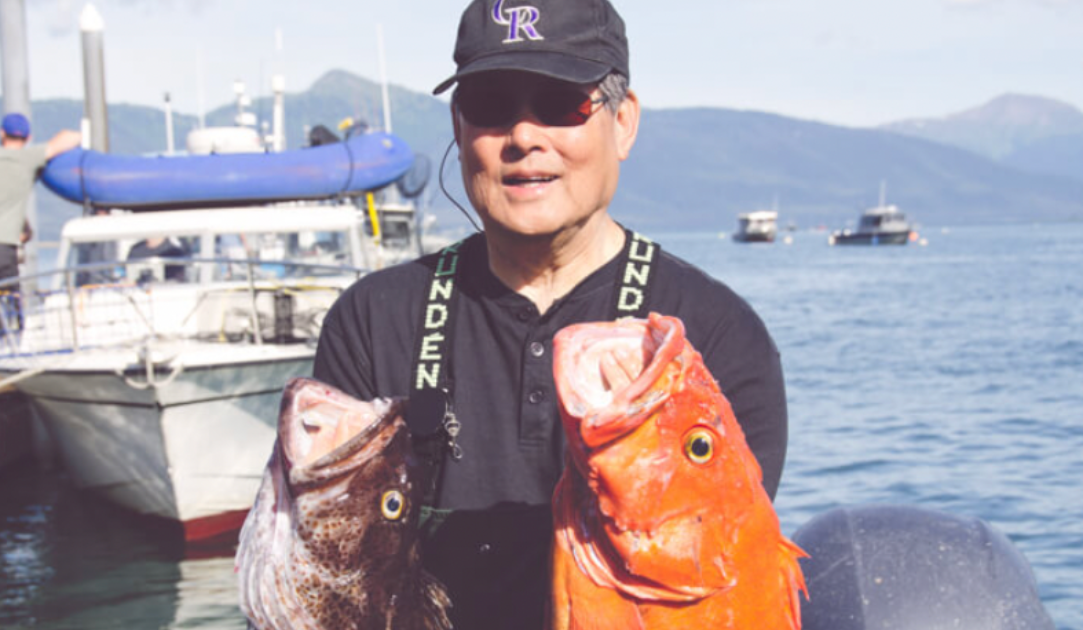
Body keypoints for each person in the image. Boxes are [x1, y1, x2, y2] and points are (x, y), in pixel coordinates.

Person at [312, 0, 789, 627]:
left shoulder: (718, 336)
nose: (523, 137)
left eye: (561, 103)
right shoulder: (372, 322)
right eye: (491, 106)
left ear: (623, 122)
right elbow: (329, 575)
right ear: (459, 127)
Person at [0, 113, 81, 377]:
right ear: (28, 137)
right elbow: (70, 138)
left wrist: (25, 226)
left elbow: (2, 198)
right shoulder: (28, 158)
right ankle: (6, 368)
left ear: (1, 133)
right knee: (8, 306)